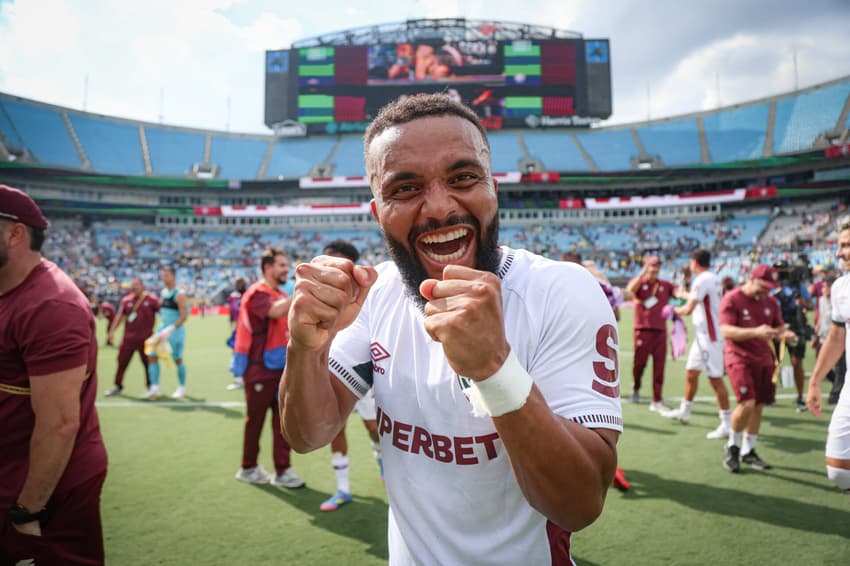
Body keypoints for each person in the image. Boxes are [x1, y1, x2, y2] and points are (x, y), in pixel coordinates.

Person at [280, 94, 621, 564]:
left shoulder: (560, 291)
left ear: (492, 188)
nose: (439, 208)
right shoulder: (377, 295)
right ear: (378, 213)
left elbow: (579, 504)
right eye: (405, 188)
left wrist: (494, 368)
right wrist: (305, 349)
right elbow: (307, 434)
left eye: (462, 177)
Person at [0, 185, 108, 564]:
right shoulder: (10, 290)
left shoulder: (51, 306)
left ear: (15, 234)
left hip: (41, 488)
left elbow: (60, 423)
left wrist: (28, 510)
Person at [319, 239, 383, 512]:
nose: (328, 269)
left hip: (364, 376)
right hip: (332, 373)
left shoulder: (370, 296)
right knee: (335, 430)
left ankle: (382, 460)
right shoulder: (319, 297)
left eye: (335, 262)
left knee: (374, 429)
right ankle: (343, 489)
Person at [233, 247, 305, 489]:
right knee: (256, 421)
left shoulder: (277, 292)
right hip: (258, 369)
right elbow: (274, 313)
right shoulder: (258, 293)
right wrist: (300, 291)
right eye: (282, 265)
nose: (286, 269)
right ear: (267, 268)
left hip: (279, 367)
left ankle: (283, 471)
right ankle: (248, 467)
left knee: (281, 421)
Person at [719, 264, 796, 473]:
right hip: (739, 357)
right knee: (747, 403)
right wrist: (755, 332)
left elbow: (778, 327)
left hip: (764, 358)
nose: (766, 291)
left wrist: (784, 334)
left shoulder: (771, 301)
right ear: (752, 279)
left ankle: (748, 450)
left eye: (770, 288)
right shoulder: (732, 298)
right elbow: (725, 330)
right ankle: (733, 447)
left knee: (759, 404)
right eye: (763, 286)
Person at [661, 249, 732, 439]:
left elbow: (689, 309)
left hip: (710, 337)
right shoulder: (711, 278)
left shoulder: (702, 280)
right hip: (703, 337)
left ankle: (727, 424)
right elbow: (700, 300)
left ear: (694, 262)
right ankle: (685, 410)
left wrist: (672, 309)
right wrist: (685, 295)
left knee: (715, 379)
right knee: (691, 372)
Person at [806, 219, 850, 491]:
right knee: (839, 470)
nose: (839, 253)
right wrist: (814, 382)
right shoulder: (841, 288)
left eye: (846, 245)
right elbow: (836, 337)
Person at [625, 255, 675, 410]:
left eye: (657, 266)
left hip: (660, 331)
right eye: (652, 265)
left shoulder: (665, 285)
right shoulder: (640, 282)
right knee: (639, 364)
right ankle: (636, 387)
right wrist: (642, 275)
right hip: (642, 329)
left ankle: (657, 399)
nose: (655, 269)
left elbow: (678, 294)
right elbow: (629, 291)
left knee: (659, 366)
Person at [104, 278, 160, 397]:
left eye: (136, 285)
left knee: (148, 364)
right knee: (121, 363)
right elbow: (120, 316)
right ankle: (117, 386)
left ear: (142, 286)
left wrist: (160, 332)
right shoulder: (126, 300)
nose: (134, 287)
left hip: (146, 339)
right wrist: (112, 332)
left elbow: (163, 314)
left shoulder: (152, 300)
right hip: (128, 339)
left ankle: (150, 387)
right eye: (132, 285)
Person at [771, 263, 814, 411]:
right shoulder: (771, 286)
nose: (780, 273)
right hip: (776, 329)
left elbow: (810, 305)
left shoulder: (798, 286)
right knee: (773, 363)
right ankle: (771, 395)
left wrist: (803, 302)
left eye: (781, 269)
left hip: (795, 328)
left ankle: (800, 397)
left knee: (797, 363)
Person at [146, 266, 188, 399]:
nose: (164, 278)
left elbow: (184, 316)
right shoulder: (163, 293)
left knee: (177, 359)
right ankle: (154, 388)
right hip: (162, 330)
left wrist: (170, 329)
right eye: (162, 275)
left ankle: (182, 388)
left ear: (173, 276)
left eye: (166, 275)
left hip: (174, 332)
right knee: (152, 355)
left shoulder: (179, 294)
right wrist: (160, 328)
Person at [226, 277, 248, 391]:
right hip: (237, 329)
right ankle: (239, 378)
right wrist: (231, 326)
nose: (240, 285)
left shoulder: (249, 294)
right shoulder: (233, 297)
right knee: (236, 351)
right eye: (238, 283)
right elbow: (231, 313)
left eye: (241, 283)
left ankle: (245, 377)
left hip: (248, 328)